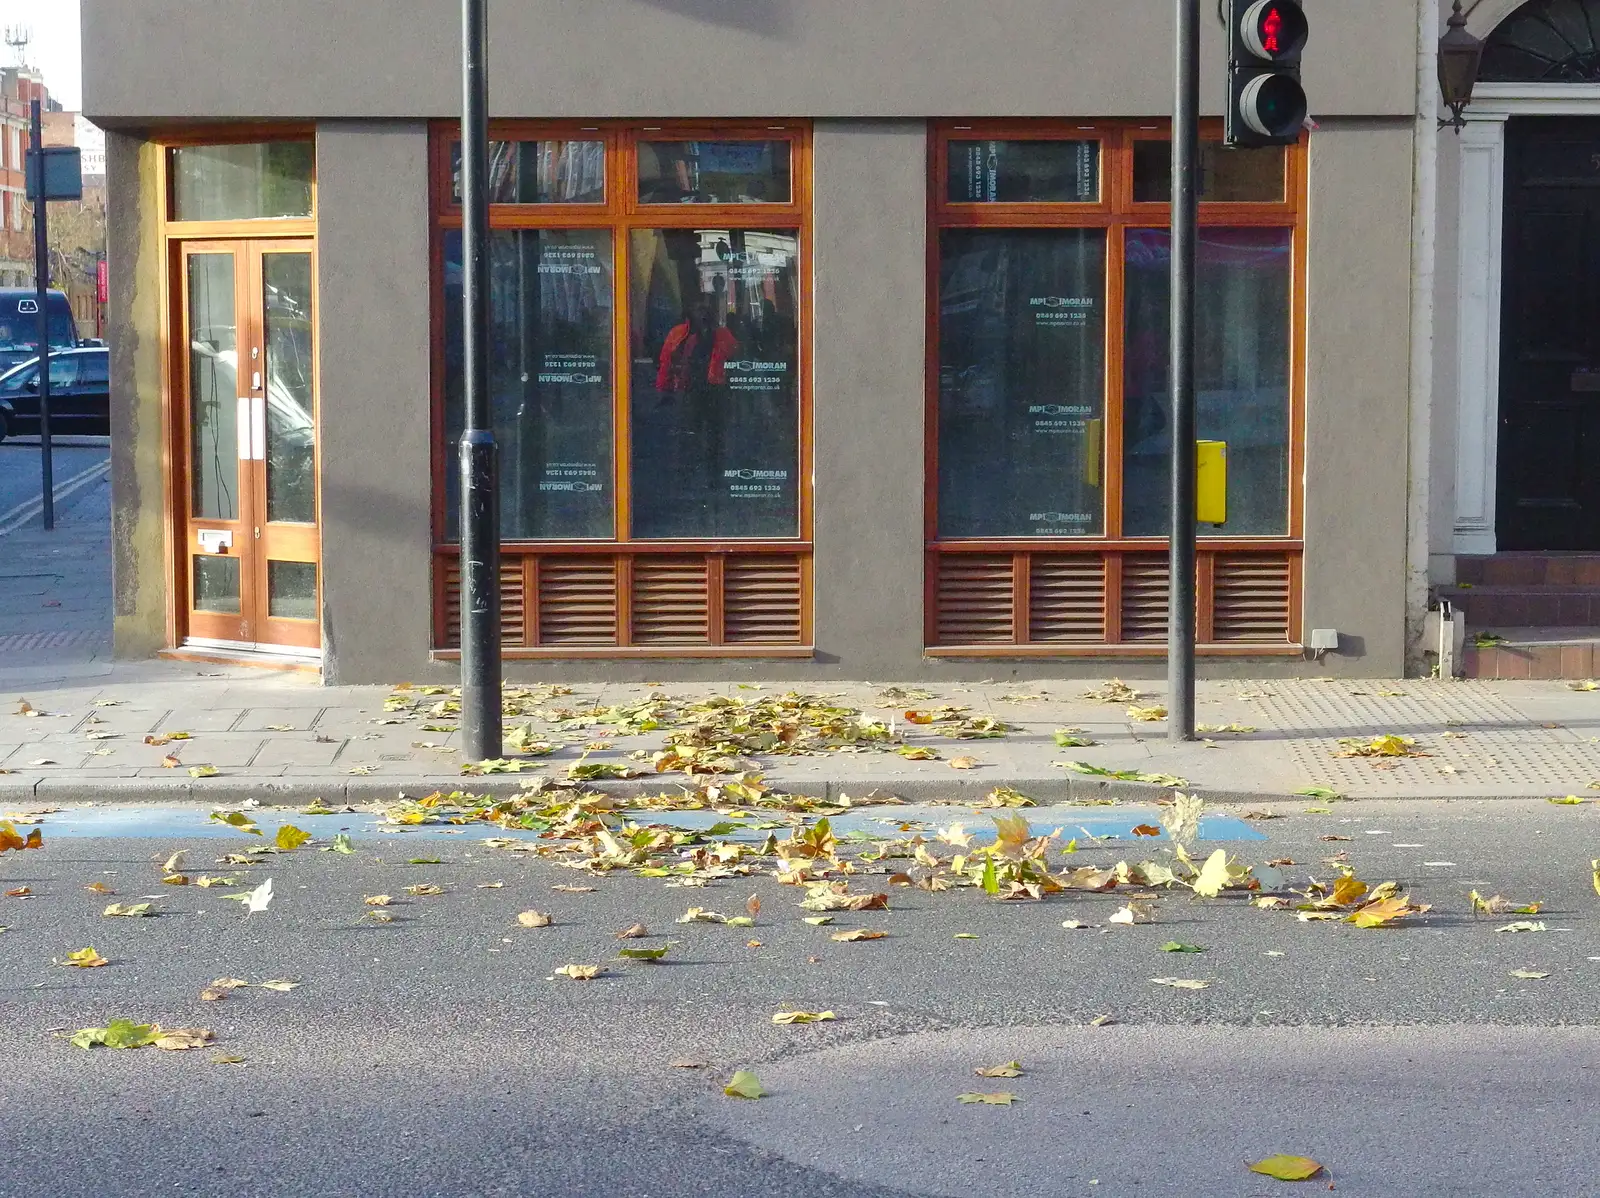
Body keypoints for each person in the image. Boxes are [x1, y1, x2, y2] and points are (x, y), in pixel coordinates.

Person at [655, 299, 738, 395]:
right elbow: (666, 363)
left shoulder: (723, 335)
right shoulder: (678, 333)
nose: (701, 317)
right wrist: (663, 389)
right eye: (698, 313)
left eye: (704, 314)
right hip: (687, 388)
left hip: (715, 390)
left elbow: (736, 359)